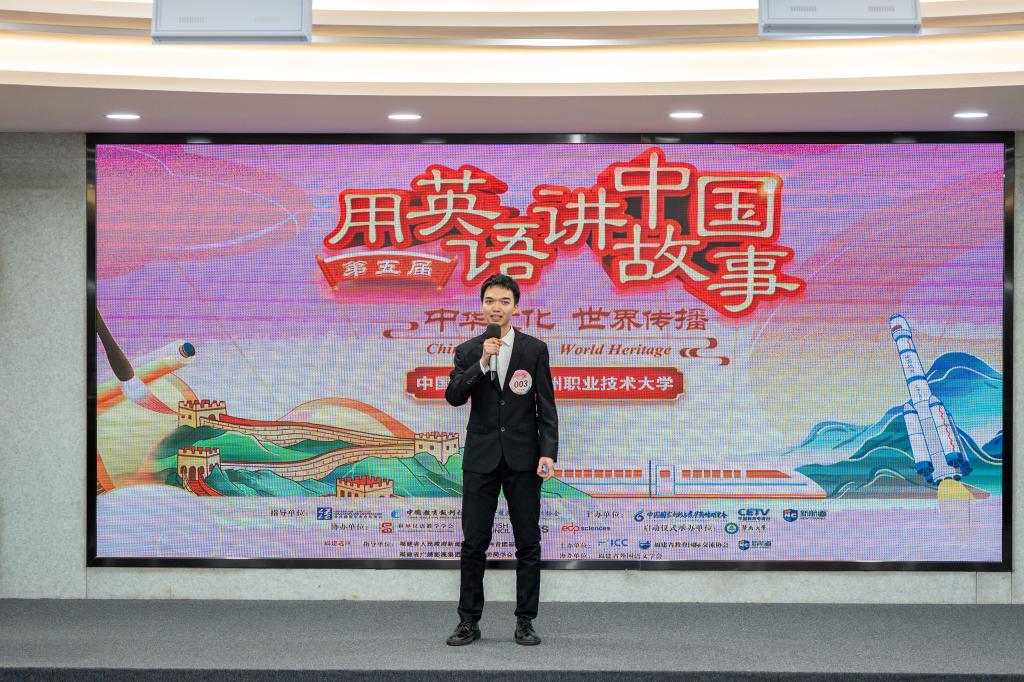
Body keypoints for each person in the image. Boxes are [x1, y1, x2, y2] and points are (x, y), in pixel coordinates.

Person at [443, 273, 558, 646]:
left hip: (524, 459)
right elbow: (454, 396)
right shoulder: (467, 350)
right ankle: (468, 621)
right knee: (474, 542)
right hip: (481, 459)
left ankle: (525, 620)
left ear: (515, 307)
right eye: (490, 300)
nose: (496, 307)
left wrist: (548, 452)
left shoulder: (534, 349)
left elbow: (546, 406)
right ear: (482, 306)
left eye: (504, 301)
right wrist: (482, 361)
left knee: (528, 541)